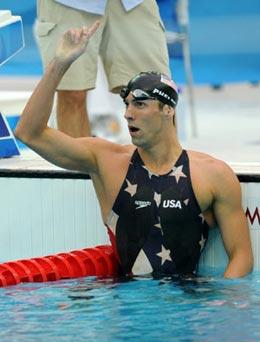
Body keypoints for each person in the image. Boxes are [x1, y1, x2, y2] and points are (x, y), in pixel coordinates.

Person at [15, 22, 253, 278]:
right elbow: (29, 133)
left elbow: (241, 256)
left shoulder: (212, 174)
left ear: (167, 110)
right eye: (127, 105)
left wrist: (221, 308)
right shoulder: (106, 160)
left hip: (185, 308)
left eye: (140, 104)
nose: (128, 114)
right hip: (125, 305)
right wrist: (59, 64)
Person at [35, 0, 170, 138]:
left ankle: (167, 160)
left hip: (133, 3)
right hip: (69, 4)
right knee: (72, 93)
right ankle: (78, 159)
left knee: (156, 91)